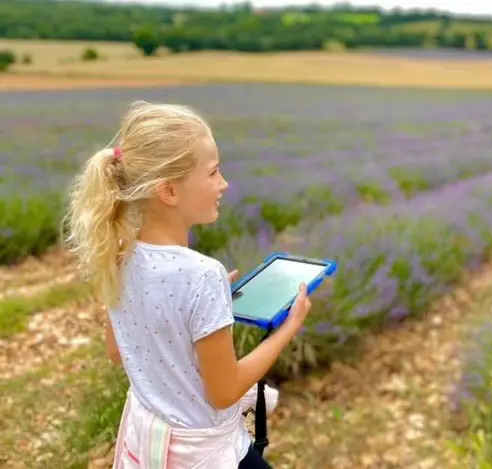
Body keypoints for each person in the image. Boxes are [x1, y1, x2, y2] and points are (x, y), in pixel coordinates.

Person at [63, 100, 311, 468]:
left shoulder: (121, 254)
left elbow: (119, 351)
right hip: (206, 456)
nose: (223, 184)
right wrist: (288, 328)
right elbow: (225, 391)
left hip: (148, 448)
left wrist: (204, 306)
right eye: (213, 173)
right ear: (169, 192)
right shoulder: (202, 275)